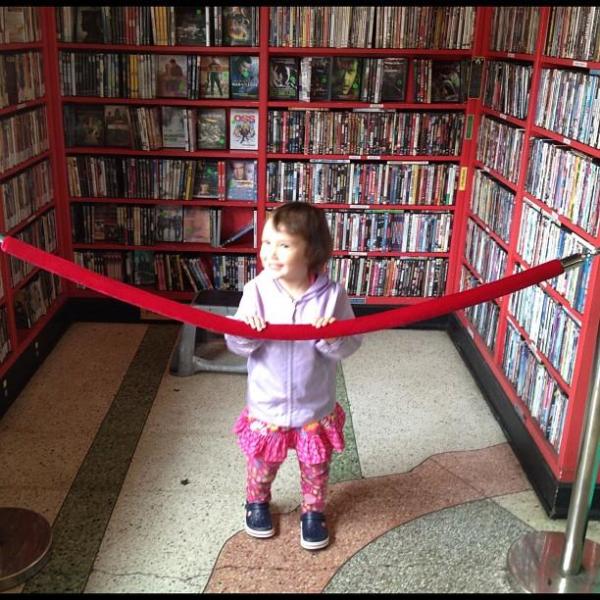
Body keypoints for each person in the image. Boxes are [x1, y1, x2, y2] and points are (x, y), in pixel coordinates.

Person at [224, 202, 362, 551]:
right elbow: (237, 345)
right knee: (262, 463)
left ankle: (313, 511)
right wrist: (247, 332)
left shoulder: (333, 295)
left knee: (316, 466)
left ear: (311, 251)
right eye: (266, 242)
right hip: (267, 404)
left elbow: (350, 344)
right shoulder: (256, 290)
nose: (270, 253)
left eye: (283, 245)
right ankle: (256, 500)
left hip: (313, 405)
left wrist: (331, 337)